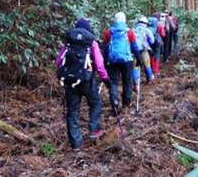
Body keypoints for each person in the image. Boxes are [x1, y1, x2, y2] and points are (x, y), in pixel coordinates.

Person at [55, 18, 109, 150]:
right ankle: (93, 130)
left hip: (69, 81)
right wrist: (105, 78)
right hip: (87, 79)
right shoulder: (91, 42)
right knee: (95, 103)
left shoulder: (68, 42)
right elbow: (99, 64)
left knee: (72, 111)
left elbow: (58, 61)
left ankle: (76, 144)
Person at [102, 12, 141, 113]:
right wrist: (138, 58)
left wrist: (105, 61)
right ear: (124, 20)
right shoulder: (129, 32)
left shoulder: (108, 32)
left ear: (114, 20)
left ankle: (114, 101)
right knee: (127, 81)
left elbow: (105, 48)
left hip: (112, 60)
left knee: (113, 82)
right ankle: (126, 103)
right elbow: (134, 47)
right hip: (127, 60)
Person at [133, 16, 155, 84]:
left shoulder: (133, 30)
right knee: (147, 64)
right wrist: (147, 43)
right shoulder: (146, 30)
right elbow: (152, 40)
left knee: (135, 65)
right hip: (143, 49)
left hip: (135, 50)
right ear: (146, 23)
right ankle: (149, 79)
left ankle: (136, 82)